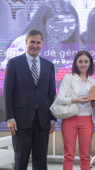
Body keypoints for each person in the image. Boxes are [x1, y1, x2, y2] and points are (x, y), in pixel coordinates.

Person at [4, 29, 56, 170]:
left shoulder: (49, 65)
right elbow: (8, 93)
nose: (35, 45)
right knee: (21, 159)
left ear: (42, 44)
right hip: (20, 121)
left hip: (43, 121)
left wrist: (52, 119)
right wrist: (10, 118)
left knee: (41, 161)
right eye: (32, 41)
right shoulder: (14, 63)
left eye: (38, 42)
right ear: (26, 42)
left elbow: (51, 94)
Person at [55, 50, 95, 170]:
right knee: (69, 155)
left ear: (90, 63)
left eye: (86, 61)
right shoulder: (68, 78)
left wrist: (94, 101)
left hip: (87, 120)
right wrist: (77, 100)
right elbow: (60, 99)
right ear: (76, 63)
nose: (83, 64)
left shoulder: (94, 81)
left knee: (85, 156)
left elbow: (92, 104)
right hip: (69, 119)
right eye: (80, 61)